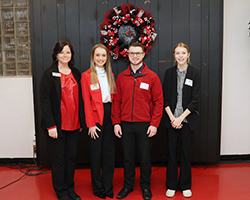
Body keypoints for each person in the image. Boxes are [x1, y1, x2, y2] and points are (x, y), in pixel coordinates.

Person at [112, 42, 164, 200]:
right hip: (126, 124)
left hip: (145, 125)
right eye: (132, 53)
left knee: (145, 157)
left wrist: (154, 124)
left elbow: (159, 102)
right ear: (128, 55)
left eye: (138, 53)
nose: (135, 56)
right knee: (127, 157)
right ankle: (128, 185)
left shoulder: (152, 77)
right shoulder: (121, 77)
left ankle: (145, 187)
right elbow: (116, 101)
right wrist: (116, 123)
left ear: (143, 55)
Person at [40, 40, 84, 200]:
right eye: (62, 52)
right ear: (56, 54)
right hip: (57, 126)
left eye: (68, 52)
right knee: (59, 160)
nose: (65, 55)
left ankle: (70, 188)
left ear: (71, 55)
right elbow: (44, 102)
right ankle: (61, 191)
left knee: (71, 159)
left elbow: (81, 99)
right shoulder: (49, 74)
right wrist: (51, 125)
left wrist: (81, 120)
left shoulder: (76, 73)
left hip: (74, 124)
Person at [163, 43, 200, 198]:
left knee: (185, 154)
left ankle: (185, 185)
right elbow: (164, 99)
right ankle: (171, 185)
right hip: (171, 120)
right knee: (171, 153)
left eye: (183, 53)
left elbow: (195, 101)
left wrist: (180, 119)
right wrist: (173, 118)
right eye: (177, 53)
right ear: (174, 55)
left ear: (188, 54)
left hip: (186, 120)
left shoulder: (195, 73)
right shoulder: (169, 73)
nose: (180, 56)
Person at [81, 44, 116, 199]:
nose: (100, 58)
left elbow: (114, 100)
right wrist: (90, 124)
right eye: (97, 55)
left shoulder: (111, 75)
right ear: (93, 57)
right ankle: (98, 188)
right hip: (95, 119)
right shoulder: (86, 75)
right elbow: (86, 102)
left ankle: (108, 187)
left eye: (103, 55)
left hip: (109, 116)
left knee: (109, 155)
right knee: (96, 156)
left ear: (107, 58)